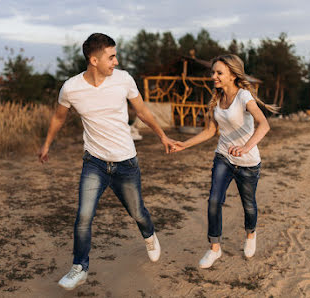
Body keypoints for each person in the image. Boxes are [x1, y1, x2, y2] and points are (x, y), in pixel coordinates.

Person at [38, 33, 175, 290]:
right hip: (95, 163)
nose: (116, 61)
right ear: (94, 60)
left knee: (137, 212)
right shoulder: (71, 88)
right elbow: (58, 118)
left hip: (126, 163)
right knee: (84, 215)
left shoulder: (123, 79)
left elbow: (142, 111)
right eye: (111, 57)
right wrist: (47, 144)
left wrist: (163, 136)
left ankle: (149, 235)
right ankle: (79, 267)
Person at [172, 54, 278, 269]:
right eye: (213, 72)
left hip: (248, 162)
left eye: (219, 73)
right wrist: (185, 144)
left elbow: (264, 124)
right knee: (213, 201)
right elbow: (210, 131)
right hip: (223, 157)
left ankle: (250, 235)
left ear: (232, 74)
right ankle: (215, 248)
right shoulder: (216, 97)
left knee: (248, 205)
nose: (214, 76)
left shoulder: (244, 96)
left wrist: (246, 147)